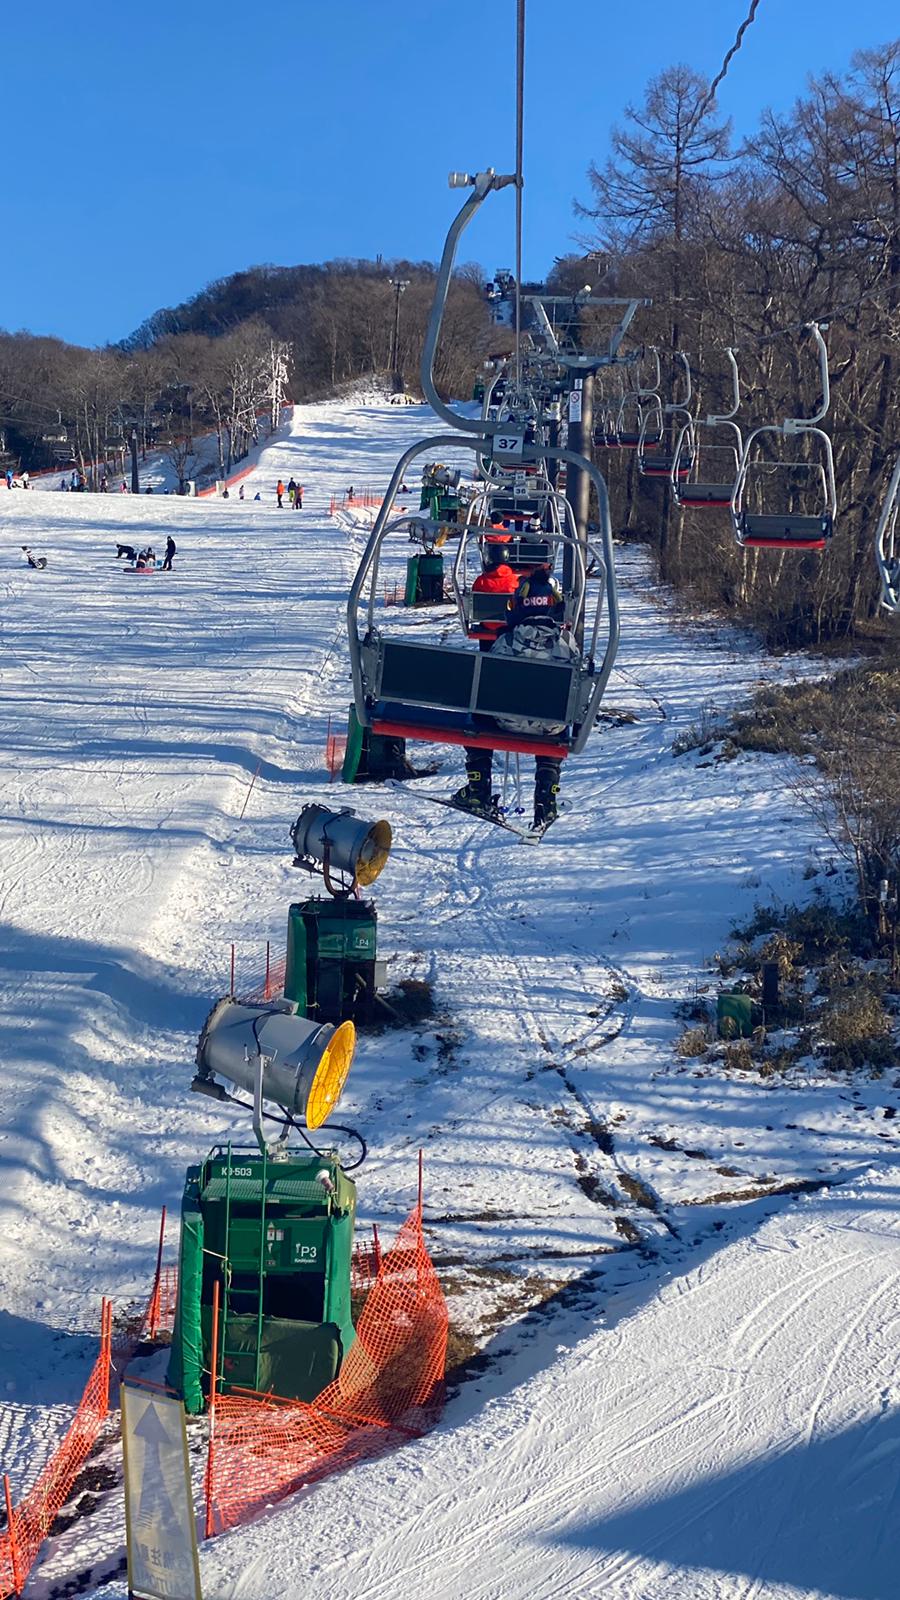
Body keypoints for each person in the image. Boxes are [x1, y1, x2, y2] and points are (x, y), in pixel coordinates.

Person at [451, 561, 567, 831]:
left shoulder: (505, 642)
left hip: (506, 721)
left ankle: (478, 788)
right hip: (551, 727)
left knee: (478, 709)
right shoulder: (566, 646)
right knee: (554, 716)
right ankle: (546, 799)